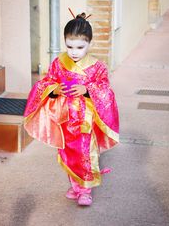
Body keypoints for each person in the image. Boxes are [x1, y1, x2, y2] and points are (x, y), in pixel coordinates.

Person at [24, 12, 119, 206]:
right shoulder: (59, 63)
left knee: (85, 152)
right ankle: (75, 186)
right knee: (67, 153)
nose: (74, 52)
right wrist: (54, 89)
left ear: (89, 44)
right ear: (65, 42)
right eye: (69, 46)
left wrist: (87, 89)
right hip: (64, 118)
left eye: (80, 47)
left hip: (85, 119)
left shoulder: (97, 67)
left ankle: (85, 190)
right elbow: (46, 83)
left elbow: (105, 91)